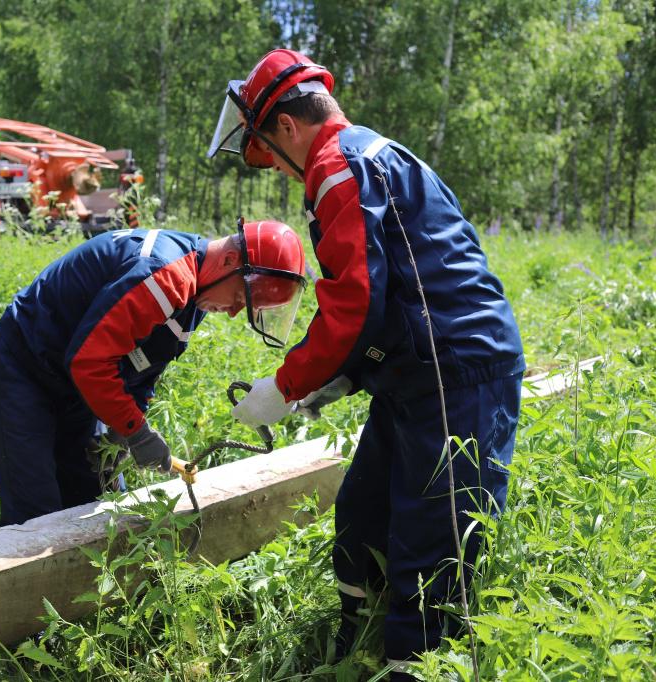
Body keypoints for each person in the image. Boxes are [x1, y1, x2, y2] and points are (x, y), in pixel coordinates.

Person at [207, 49, 525, 675]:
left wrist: (286, 384)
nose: (275, 165)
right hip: (417, 369)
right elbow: (398, 291)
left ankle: (414, 661)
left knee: (430, 548)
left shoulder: (338, 168)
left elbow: (354, 305)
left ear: (289, 128)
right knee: (363, 518)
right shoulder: (370, 154)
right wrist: (344, 378)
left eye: (268, 149)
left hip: (453, 370)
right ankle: (353, 642)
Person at [0, 222, 307, 527]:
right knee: (36, 516)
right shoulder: (165, 276)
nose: (234, 312)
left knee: (96, 500)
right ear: (231, 260)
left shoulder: (194, 297)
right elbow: (89, 362)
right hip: (18, 372)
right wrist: (135, 431)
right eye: (238, 297)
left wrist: (121, 429)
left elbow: (141, 368)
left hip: (71, 387)